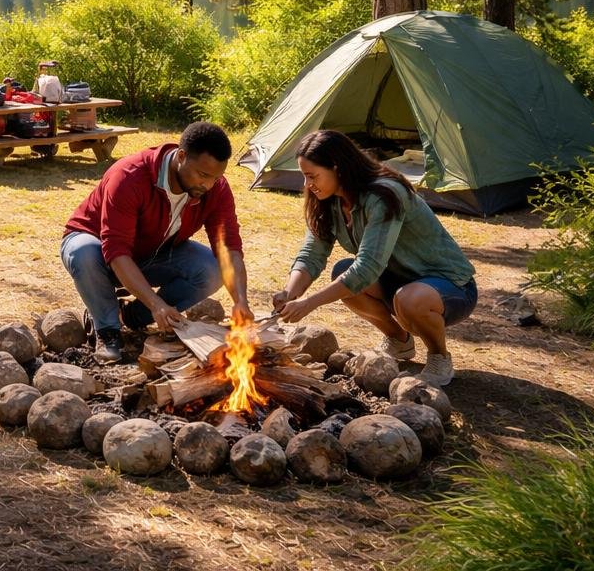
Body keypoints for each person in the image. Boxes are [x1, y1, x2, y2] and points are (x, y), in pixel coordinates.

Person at [271, 129, 477, 387]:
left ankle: (438, 357)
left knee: (405, 298)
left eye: (312, 176)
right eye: (304, 176)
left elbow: (367, 267)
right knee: (342, 272)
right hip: (396, 282)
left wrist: (310, 303)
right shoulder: (327, 200)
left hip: (449, 287)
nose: (306, 185)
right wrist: (290, 293)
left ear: (337, 167)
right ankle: (398, 341)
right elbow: (312, 254)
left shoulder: (384, 194)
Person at [60, 121, 253, 363]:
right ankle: (107, 329)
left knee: (211, 270)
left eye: (216, 177)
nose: (209, 185)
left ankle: (130, 317)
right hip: (101, 251)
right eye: (203, 175)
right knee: (83, 252)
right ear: (181, 156)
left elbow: (229, 249)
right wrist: (156, 302)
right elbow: (116, 250)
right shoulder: (129, 176)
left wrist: (240, 300)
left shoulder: (215, 189)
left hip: (155, 252)